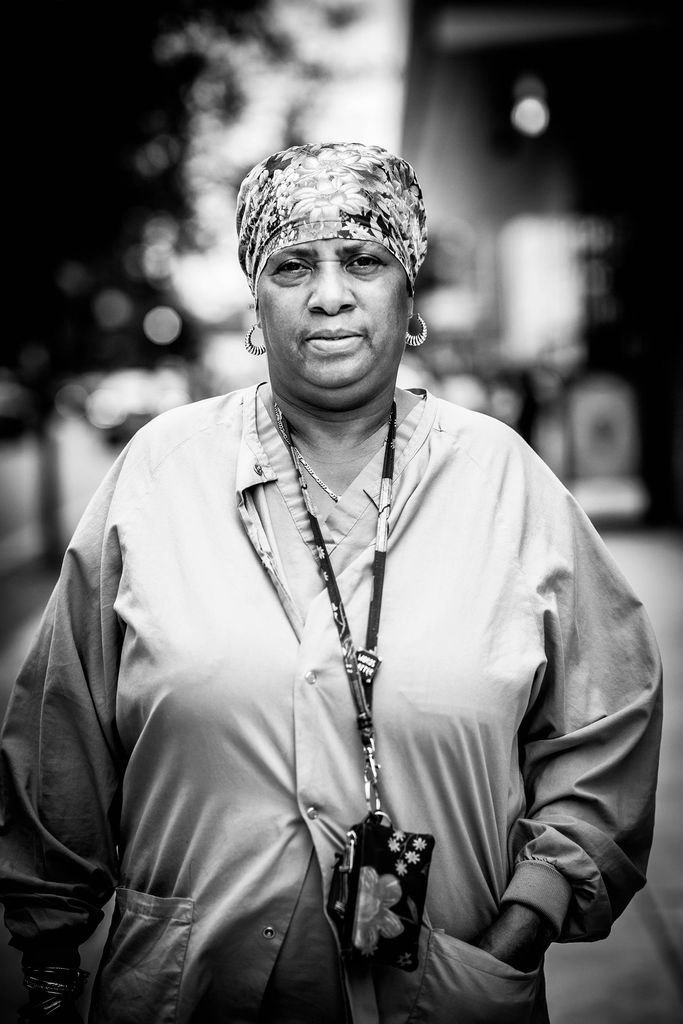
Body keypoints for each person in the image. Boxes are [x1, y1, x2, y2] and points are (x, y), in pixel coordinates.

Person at [0, 142, 662, 1024]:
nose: (328, 294)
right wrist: (48, 955)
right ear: (254, 300)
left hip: (444, 996)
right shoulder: (160, 473)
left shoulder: (504, 479)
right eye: (291, 265)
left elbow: (609, 718)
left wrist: (526, 920)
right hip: (187, 995)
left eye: (363, 260)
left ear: (407, 293)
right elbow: (60, 732)